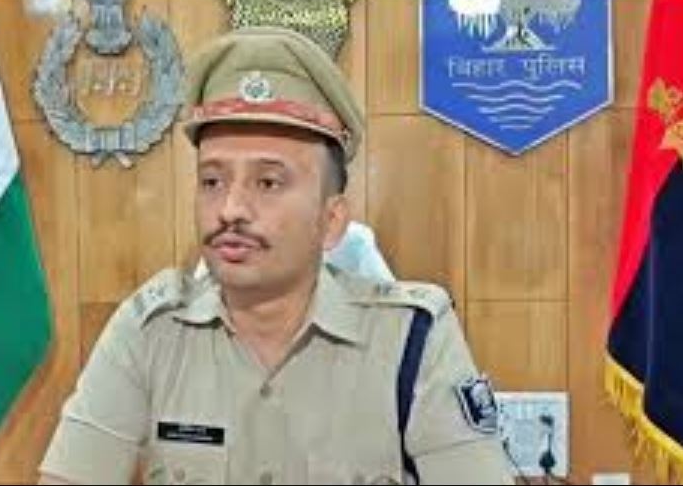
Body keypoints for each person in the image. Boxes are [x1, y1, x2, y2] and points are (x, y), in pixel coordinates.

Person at [39, 26, 514, 485]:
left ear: (331, 221)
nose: (230, 209)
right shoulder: (149, 331)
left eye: (268, 183)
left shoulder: (412, 337)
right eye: (212, 181)